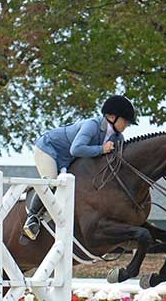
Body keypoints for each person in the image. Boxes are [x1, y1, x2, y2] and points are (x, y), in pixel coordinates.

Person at [22, 95, 137, 240]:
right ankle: (32, 218)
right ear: (112, 116)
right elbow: (76, 149)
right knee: (52, 181)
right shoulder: (92, 125)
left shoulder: (118, 138)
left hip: (68, 160)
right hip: (50, 149)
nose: (127, 125)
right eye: (125, 120)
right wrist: (102, 149)